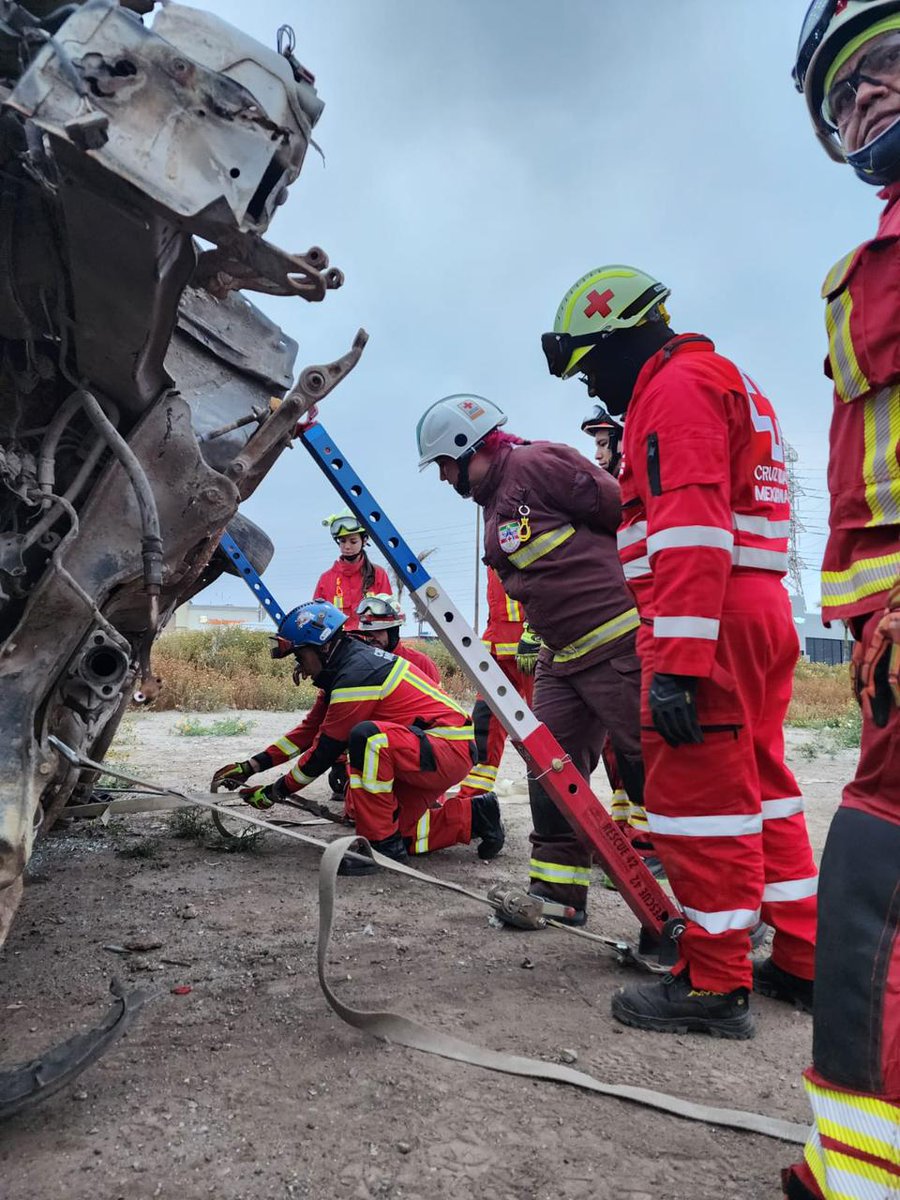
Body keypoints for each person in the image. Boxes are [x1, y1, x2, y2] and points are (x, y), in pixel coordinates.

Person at [542, 265, 819, 1038]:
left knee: (700, 803)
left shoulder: (674, 389)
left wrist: (680, 665)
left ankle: (714, 981)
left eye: (592, 368)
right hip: (753, 607)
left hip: (708, 615)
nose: (597, 391)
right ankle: (805, 958)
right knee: (763, 788)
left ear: (621, 338)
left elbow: (692, 530)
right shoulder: (725, 378)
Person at [785, 5, 900, 1196]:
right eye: (840, 93)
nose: (861, 97)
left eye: (886, 62)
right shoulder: (883, 243)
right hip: (878, 627)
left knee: (878, 879)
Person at [416, 394, 644, 925]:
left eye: (444, 464)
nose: (443, 478)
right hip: (560, 658)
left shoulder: (538, 463)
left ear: (467, 447)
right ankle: (558, 894)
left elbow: (629, 516)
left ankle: (713, 911)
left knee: (657, 765)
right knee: (550, 768)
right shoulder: (494, 500)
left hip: (616, 643)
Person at [210, 601, 504, 870]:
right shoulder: (344, 672)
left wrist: (275, 792)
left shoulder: (357, 675)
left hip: (445, 750)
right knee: (403, 834)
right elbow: (307, 733)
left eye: (300, 656)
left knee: (367, 739)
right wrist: (251, 766)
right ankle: (478, 816)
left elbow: (323, 752)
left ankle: (380, 848)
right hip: (431, 750)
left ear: (323, 646)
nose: (301, 669)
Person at [455, 568, 535, 801]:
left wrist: (535, 628)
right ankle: (472, 798)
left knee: (544, 728)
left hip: (530, 648)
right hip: (498, 644)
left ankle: (553, 798)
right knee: (484, 723)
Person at [313, 511, 391, 630]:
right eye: (342, 541)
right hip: (338, 641)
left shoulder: (378, 574)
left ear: (364, 540)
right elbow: (317, 619)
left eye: (353, 541)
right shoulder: (326, 579)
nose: (347, 546)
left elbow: (389, 617)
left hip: (371, 640)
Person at [355, 593, 442, 684]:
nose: (371, 637)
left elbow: (437, 693)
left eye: (378, 631)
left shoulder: (421, 663)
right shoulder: (358, 664)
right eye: (367, 632)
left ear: (393, 631)